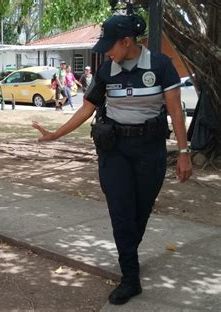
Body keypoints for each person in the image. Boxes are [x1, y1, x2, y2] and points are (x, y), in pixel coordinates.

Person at [32, 14, 192, 305]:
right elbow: (86, 109)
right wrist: (55, 134)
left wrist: (183, 152)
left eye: (111, 46)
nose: (106, 52)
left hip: (150, 151)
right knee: (121, 214)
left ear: (127, 41)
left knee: (139, 213)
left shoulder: (160, 66)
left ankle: (129, 254)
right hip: (114, 151)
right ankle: (130, 277)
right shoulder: (107, 70)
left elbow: (176, 111)